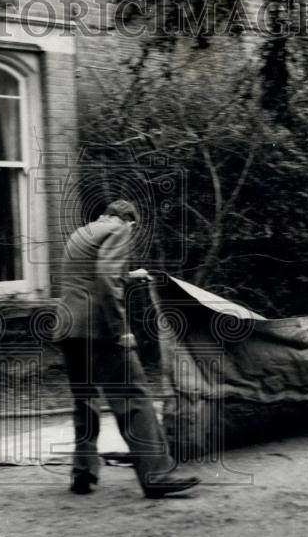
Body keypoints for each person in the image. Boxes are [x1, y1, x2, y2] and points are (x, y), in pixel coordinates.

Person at [54, 200, 200, 498]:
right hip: (99, 330)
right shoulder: (118, 231)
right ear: (127, 221)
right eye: (132, 228)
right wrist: (121, 332)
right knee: (134, 397)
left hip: (69, 328)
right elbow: (106, 280)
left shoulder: (82, 233)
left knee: (85, 399)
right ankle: (156, 474)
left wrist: (131, 275)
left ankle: (83, 473)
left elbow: (90, 275)